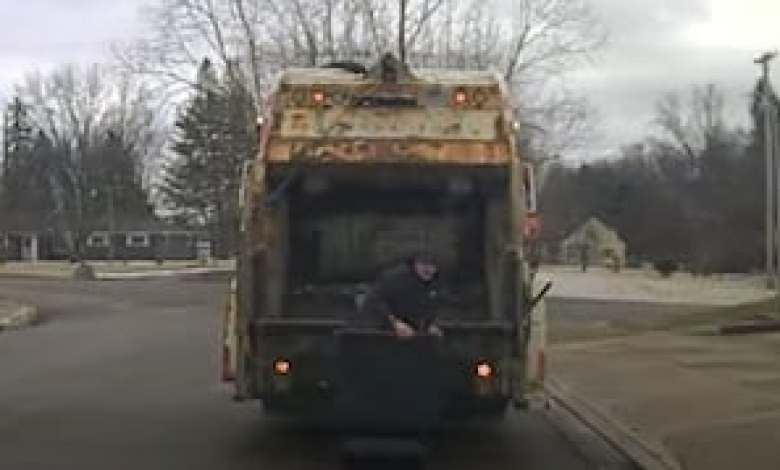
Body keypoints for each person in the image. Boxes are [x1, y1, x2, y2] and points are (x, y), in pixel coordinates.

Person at [360, 253, 443, 339]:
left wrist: (428, 325)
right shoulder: (395, 278)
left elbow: (430, 307)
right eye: (424, 265)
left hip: (410, 332)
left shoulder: (434, 283)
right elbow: (374, 300)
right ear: (415, 264)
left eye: (433, 266)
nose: (429, 269)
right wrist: (394, 323)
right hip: (378, 330)